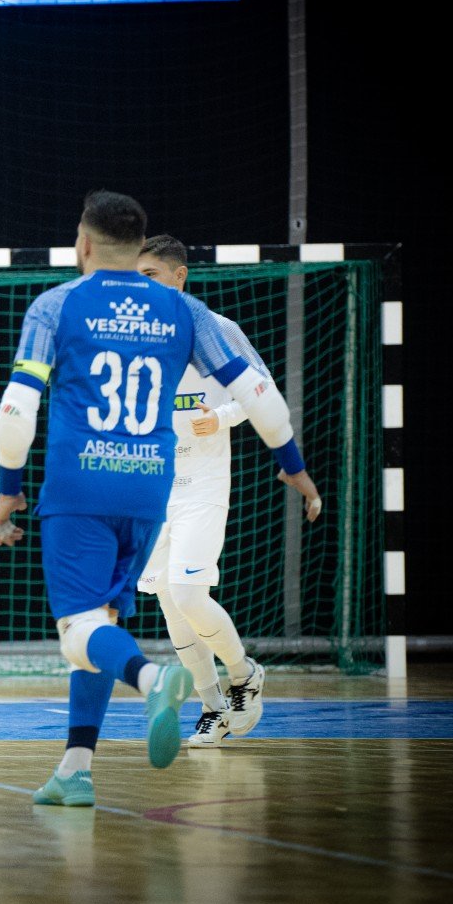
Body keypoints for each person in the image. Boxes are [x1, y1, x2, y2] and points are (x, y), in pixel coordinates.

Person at [0, 190, 321, 807]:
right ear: (136, 244)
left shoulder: (57, 305)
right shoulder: (183, 313)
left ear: (84, 244)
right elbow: (261, 396)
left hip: (83, 487)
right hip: (150, 489)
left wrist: (8, 489)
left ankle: (152, 677)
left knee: (78, 631)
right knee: (112, 620)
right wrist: (293, 467)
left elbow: (16, 412)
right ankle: (76, 769)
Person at [134, 234, 320, 745]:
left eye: (150, 275)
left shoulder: (216, 330)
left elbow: (263, 394)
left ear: (179, 276)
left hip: (202, 484)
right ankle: (213, 707)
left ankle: (245, 673)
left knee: (190, 594)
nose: (140, 286)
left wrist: (218, 417)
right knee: (170, 604)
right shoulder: (136, 339)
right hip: (152, 489)